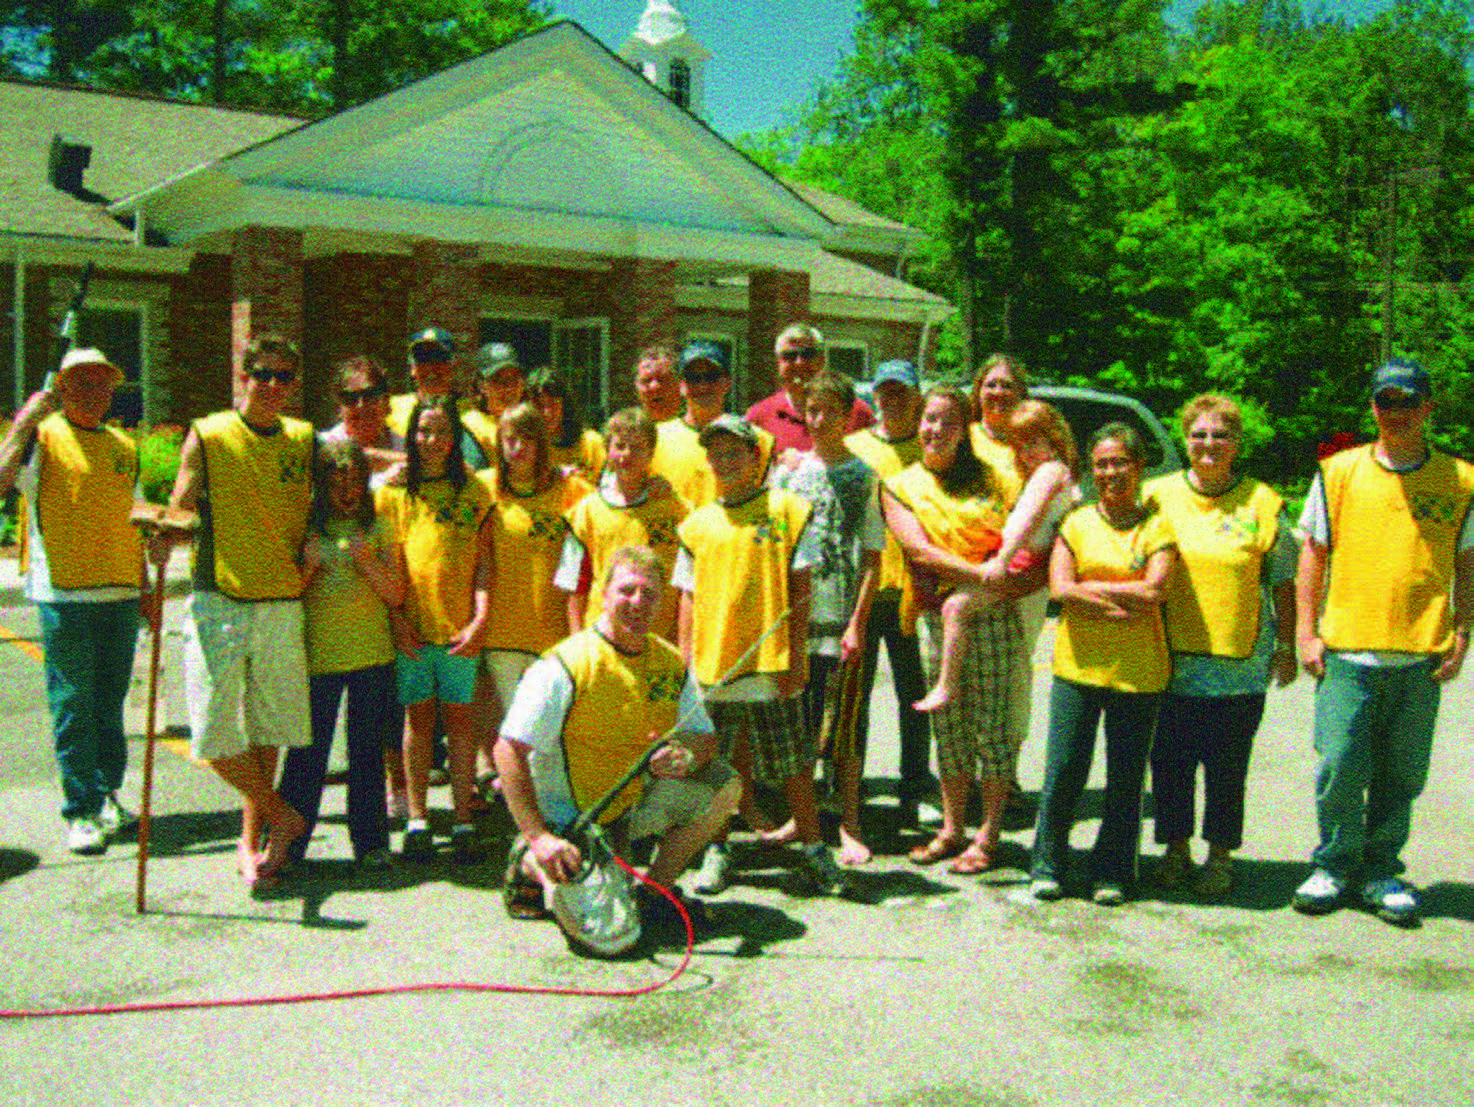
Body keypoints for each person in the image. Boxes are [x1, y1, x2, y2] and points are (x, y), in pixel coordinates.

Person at [1292, 359, 1473, 925]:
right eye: (1385, 401)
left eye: (1407, 402)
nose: (1395, 412)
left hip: (1420, 652)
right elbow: (1312, 555)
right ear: (1373, 408)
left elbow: (1467, 563)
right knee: (1341, 765)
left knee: (1402, 772)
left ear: (1427, 408)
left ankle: (1381, 871)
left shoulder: (1461, 479)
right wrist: (1305, 631)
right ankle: (1334, 864)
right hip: (1347, 648)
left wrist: (1462, 631)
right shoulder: (1338, 472)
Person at [495, 546, 740, 937]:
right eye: (627, 591)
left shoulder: (670, 661)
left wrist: (686, 755)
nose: (638, 602)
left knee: (723, 784)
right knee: (615, 939)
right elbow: (507, 749)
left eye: (650, 594)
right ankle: (528, 861)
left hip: (628, 813)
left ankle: (654, 891)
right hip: (569, 827)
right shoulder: (565, 665)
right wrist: (539, 835)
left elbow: (705, 739)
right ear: (603, 594)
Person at [151, 334, 314, 889]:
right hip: (219, 598)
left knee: (268, 730)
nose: (272, 386)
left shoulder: (302, 437)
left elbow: (355, 469)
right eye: (262, 375)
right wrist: (157, 549)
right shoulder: (211, 432)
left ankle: (255, 840)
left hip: (282, 601)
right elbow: (180, 505)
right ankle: (282, 815)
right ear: (244, 376)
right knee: (212, 735)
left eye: (283, 377)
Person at [675, 414, 846, 895]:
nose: (725, 461)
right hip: (714, 668)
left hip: (772, 665)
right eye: (717, 454)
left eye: (736, 452)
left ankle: (814, 849)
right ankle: (717, 848)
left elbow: (801, 587)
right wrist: (687, 667)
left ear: (757, 457)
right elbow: (687, 598)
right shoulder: (696, 525)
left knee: (793, 765)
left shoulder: (788, 510)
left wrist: (797, 660)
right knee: (717, 769)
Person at [1144, 394, 1297, 900]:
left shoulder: (1263, 501)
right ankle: (1174, 850)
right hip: (1167, 657)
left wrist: (1289, 644)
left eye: (1221, 435)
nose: (1209, 444)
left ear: (1237, 443)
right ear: (1185, 440)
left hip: (1240, 663)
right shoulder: (1156, 495)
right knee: (1169, 761)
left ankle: (1220, 855)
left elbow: (1283, 582)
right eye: (1199, 434)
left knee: (1228, 765)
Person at [0, 347, 151, 855]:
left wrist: (147, 585)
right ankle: (80, 810)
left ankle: (108, 795)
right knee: (72, 705)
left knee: (110, 705)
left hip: (121, 592)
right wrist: (24, 421)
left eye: (104, 383)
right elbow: (1, 481)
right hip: (63, 594)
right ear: (63, 388)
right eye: (83, 383)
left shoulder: (123, 445)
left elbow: (130, 518)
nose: (96, 392)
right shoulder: (42, 439)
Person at [1029, 424, 1176, 905]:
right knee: (1065, 768)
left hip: (1138, 672)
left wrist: (1092, 590)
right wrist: (1119, 596)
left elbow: (1155, 590)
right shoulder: (1075, 523)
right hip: (1078, 668)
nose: (1111, 473)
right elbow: (1060, 589)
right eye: (1102, 464)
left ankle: (1113, 870)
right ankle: (1048, 863)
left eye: (1120, 463)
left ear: (1138, 468)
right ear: (1091, 471)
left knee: (1125, 776)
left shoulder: (1157, 526)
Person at [882, 387, 1021, 874]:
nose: (933, 430)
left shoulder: (997, 479)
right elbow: (918, 550)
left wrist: (992, 579)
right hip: (935, 616)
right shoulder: (900, 485)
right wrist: (981, 571)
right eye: (927, 420)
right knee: (949, 729)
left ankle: (990, 834)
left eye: (945, 421)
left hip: (995, 612)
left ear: (965, 430)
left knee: (995, 727)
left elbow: (1021, 541)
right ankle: (953, 827)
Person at [770, 371, 884, 865]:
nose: (819, 422)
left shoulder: (864, 476)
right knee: (800, 720)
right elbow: (773, 547)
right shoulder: (790, 474)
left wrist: (857, 622)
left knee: (846, 725)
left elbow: (873, 557)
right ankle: (803, 816)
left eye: (830, 412)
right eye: (812, 412)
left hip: (842, 619)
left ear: (848, 416)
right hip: (798, 618)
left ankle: (850, 821)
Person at [378, 397, 493, 862]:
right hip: (414, 631)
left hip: (460, 632)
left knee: (462, 724)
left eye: (442, 431)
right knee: (418, 722)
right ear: (411, 436)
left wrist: (481, 618)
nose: (432, 441)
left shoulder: (475, 493)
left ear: (456, 437)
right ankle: (419, 819)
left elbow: (484, 562)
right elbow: (392, 567)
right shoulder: (394, 494)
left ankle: (463, 818)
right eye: (423, 432)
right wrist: (397, 621)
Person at [278, 439, 402, 868]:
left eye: (355, 480)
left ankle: (370, 844)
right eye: (337, 481)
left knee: (367, 752)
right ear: (322, 485)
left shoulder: (380, 526)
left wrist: (369, 564)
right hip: (318, 658)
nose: (347, 490)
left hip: (371, 655)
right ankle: (288, 842)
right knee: (307, 753)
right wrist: (309, 567)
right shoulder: (308, 528)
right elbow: (285, 593)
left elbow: (396, 593)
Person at [913, 399, 1078, 714]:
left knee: (956, 606)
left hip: (1022, 560)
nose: (1026, 451)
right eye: (1019, 444)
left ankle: (947, 686)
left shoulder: (1050, 471)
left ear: (1054, 438)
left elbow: (1025, 521)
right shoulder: (1056, 472)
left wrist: (1002, 560)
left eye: (1034, 441)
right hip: (1026, 558)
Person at [844, 360, 933, 825]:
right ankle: (849, 787)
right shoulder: (854, 447)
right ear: (874, 397)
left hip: (914, 593)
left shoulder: (930, 447)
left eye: (902, 392)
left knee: (914, 696)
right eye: (886, 392)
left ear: (916, 397)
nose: (893, 400)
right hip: (864, 590)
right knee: (854, 698)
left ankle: (914, 786)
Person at [481, 403, 592, 762]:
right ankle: (516, 799)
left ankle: (548, 802)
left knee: (548, 726)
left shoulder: (570, 488)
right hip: (502, 632)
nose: (518, 448)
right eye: (509, 439)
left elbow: (612, 502)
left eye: (527, 438)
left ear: (542, 443)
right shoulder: (484, 488)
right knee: (515, 726)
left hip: (552, 629)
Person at [557, 406, 690, 642]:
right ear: (607, 451)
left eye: (638, 447)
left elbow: (687, 582)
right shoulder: (586, 512)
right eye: (619, 446)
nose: (627, 454)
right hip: (602, 636)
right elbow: (575, 584)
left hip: (658, 638)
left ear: (651, 454)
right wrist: (579, 640)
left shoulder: (675, 510)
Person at [650, 340, 774, 508]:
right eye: (694, 378)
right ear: (681, 386)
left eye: (712, 377)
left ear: (728, 383)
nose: (703, 386)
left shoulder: (757, 439)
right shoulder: (654, 440)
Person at [744, 323, 874, 454]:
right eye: (790, 355)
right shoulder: (759, 417)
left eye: (808, 354)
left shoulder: (856, 412)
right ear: (778, 363)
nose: (799, 362)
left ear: (822, 360)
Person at [319, 356, 402, 486]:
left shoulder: (405, 446)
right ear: (339, 408)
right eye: (350, 398)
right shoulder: (323, 444)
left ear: (386, 402)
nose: (361, 405)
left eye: (370, 396)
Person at [527, 366, 607, 481]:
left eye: (553, 404)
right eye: (539, 406)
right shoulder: (525, 448)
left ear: (564, 404)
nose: (547, 413)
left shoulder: (591, 443)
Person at [461, 342, 526, 470]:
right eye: (498, 380)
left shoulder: (531, 423)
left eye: (514, 378)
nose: (509, 388)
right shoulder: (470, 429)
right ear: (481, 385)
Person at [387, 327, 458, 441]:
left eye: (438, 359)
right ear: (412, 368)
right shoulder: (390, 410)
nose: (431, 369)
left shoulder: (472, 418)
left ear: (453, 365)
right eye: (423, 359)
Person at [634, 345, 682, 423]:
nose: (654, 387)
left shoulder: (700, 431)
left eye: (663, 379)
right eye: (646, 380)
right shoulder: (627, 432)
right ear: (636, 386)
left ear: (680, 383)